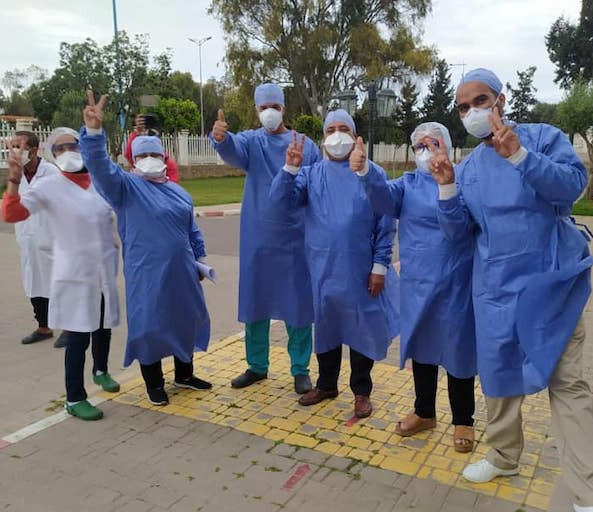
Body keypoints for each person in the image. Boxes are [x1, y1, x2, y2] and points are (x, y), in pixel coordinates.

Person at [431, 68, 593, 512]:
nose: (472, 111)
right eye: (463, 107)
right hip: (496, 290)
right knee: (499, 377)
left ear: (501, 100)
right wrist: (447, 187)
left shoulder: (543, 138)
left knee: (567, 383)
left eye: (480, 100)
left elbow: (572, 188)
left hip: (551, 286)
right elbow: (459, 235)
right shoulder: (470, 167)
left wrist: (521, 157)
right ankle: (503, 457)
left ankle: (590, 494)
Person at [81, 91, 212, 406]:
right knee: (149, 324)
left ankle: (184, 374)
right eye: (143, 155)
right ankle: (154, 382)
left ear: (164, 158)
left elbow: (191, 229)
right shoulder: (126, 188)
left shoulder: (178, 192)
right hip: (146, 272)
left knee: (185, 319)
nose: (150, 160)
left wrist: (199, 259)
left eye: (155, 154)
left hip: (183, 271)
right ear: (134, 160)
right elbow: (100, 167)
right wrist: (95, 133)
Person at [270, 110, 398, 418]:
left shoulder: (372, 173)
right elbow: (280, 202)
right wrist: (289, 168)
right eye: (331, 130)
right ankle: (326, 384)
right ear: (324, 137)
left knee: (362, 329)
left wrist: (380, 266)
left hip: (360, 270)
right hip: (323, 268)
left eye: (344, 129)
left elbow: (385, 222)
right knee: (326, 328)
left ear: (355, 137)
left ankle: (362, 392)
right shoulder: (311, 174)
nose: (337, 135)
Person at [358, 121, 477, 452]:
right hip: (418, 283)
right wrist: (366, 171)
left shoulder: (465, 180)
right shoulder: (407, 184)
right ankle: (424, 412)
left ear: (447, 146)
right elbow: (381, 198)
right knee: (422, 348)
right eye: (420, 146)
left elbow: (461, 229)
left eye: (433, 144)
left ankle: (463, 420)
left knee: (458, 350)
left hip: (456, 281)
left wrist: (447, 184)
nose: (427, 152)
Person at [1, 126, 121, 421]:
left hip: (103, 268)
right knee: (79, 335)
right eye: (60, 148)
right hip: (74, 272)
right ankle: (74, 397)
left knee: (103, 325)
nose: (68, 152)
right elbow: (11, 214)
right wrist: (14, 180)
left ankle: (101, 370)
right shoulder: (49, 185)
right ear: (53, 155)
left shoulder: (100, 181)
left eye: (73, 146)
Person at [210, 83, 321, 394]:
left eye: (274, 106)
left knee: (298, 305)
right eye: (263, 108)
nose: (269, 112)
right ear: (256, 110)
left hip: (295, 238)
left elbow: (316, 186)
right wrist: (220, 139)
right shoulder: (252, 141)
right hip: (257, 238)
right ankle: (257, 365)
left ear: (283, 108)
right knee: (256, 302)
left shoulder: (304, 144)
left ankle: (300, 369)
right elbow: (232, 150)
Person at [7, 130, 60, 345]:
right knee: (34, 283)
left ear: (34, 150)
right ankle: (43, 327)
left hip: (51, 237)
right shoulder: (15, 174)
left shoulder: (51, 172)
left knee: (58, 285)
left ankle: (70, 328)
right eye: (13, 146)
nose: (15, 150)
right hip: (26, 236)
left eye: (20, 146)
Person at [123, 114, 180, 183]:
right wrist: (137, 133)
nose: (149, 158)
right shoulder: (139, 163)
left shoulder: (168, 164)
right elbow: (129, 154)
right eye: (143, 155)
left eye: (154, 155)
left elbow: (173, 184)